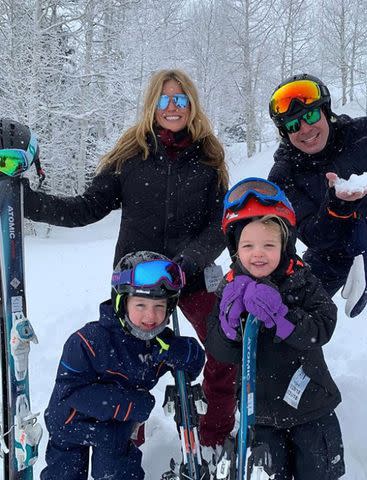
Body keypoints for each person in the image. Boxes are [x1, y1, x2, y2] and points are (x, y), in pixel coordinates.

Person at [7, 68, 236, 449]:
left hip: (191, 276)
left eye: (181, 99)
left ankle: (213, 437)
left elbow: (220, 226)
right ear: (153, 104)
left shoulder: (209, 159)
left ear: (191, 104)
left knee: (224, 346)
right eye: (165, 99)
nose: (173, 107)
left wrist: (187, 262)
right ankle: (128, 441)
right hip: (135, 284)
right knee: (123, 367)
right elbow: (87, 207)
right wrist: (26, 201)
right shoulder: (132, 156)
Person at [205, 178, 345, 479]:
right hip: (261, 416)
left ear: (285, 244)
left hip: (311, 407)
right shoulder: (229, 289)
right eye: (248, 245)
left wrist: (282, 316)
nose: (258, 253)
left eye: (269, 245)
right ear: (235, 248)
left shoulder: (302, 279)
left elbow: (322, 326)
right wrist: (229, 329)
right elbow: (218, 349)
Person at [268, 73, 367, 330]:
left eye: (311, 116)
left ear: (326, 111)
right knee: (291, 319)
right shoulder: (284, 174)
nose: (305, 129)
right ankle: (299, 367)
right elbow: (312, 234)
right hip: (328, 255)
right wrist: (337, 208)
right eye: (293, 125)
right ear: (285, 132)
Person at [41, 251, 205, 480]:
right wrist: (133, 405)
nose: (151, 316)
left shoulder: (158, 343)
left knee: (118, 472)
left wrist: (183, 352)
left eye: (159, 306)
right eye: (140, 305)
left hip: (114, 430)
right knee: (65, 474)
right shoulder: (87, 342)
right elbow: (72, 394)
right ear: (121, 302)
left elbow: (195, 362)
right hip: (71, 426)